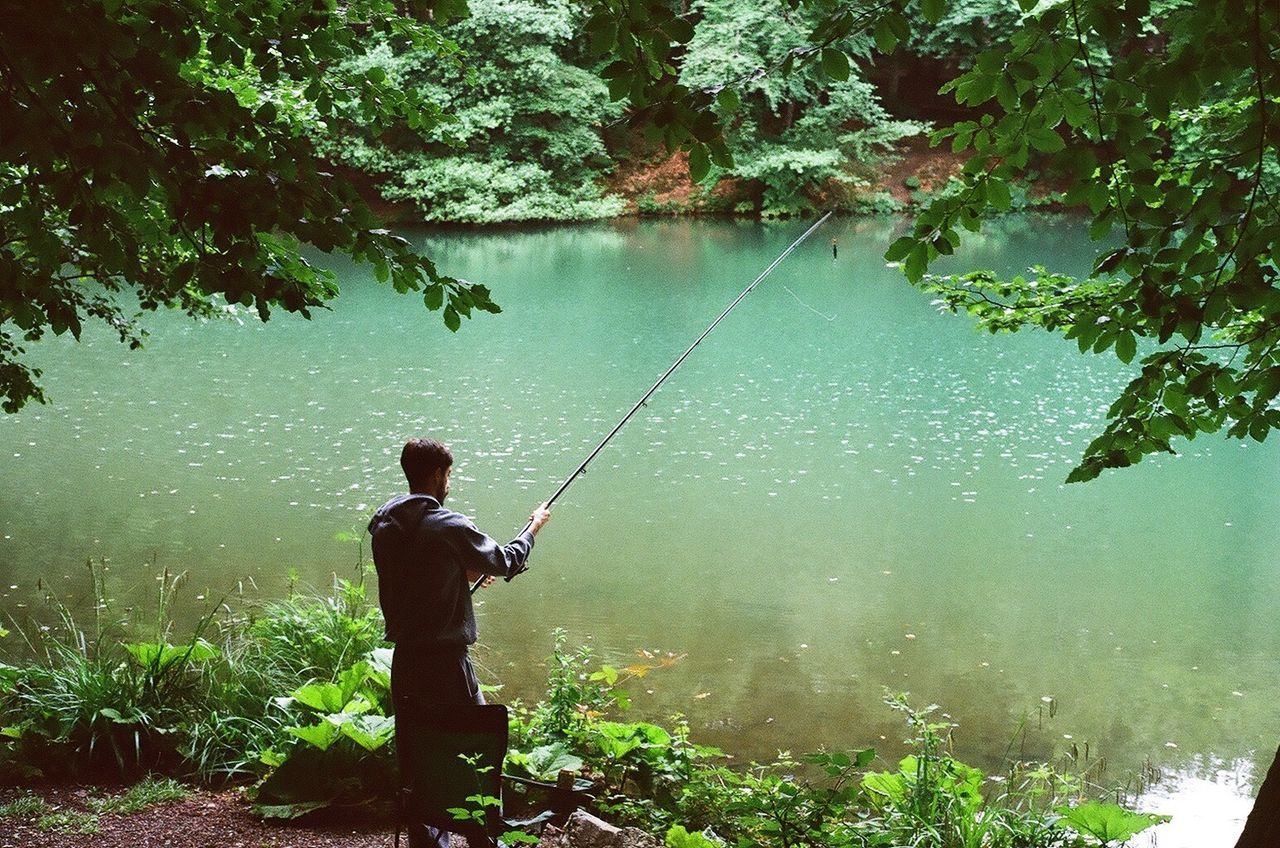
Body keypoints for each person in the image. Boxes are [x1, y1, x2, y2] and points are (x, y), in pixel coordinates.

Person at [368, 437, 551, 848]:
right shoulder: (447, 525)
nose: (449, 482)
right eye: (448, 474)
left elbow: (418, 580)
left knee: (419, 753)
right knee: (473, 749)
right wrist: (533, 527)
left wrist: (460, 577)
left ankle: (428, 840)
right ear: (436, 474)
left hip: (407, 663)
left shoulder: (387, 526)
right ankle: (482, 838)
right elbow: (505, 560)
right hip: (448, 665)